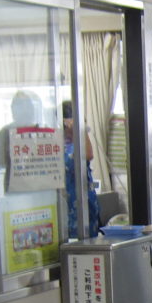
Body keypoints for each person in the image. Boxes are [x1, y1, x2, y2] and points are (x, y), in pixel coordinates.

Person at [62, 101, 101, 238]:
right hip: (73, 214)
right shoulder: (65, 149)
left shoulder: (76, 144)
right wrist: (80, 130)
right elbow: (88, 154)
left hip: (88, 209)